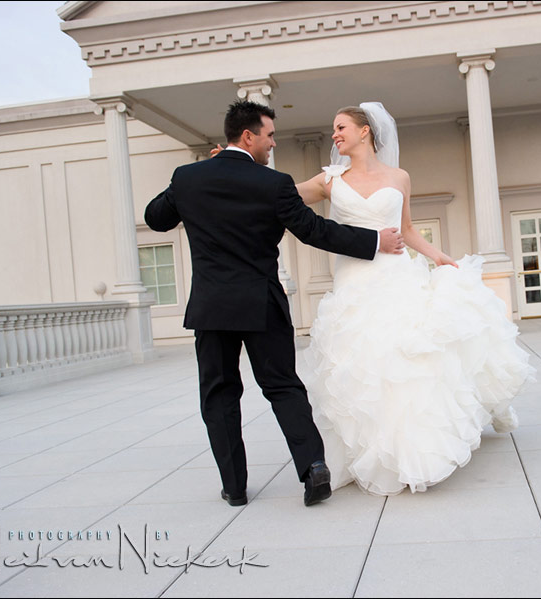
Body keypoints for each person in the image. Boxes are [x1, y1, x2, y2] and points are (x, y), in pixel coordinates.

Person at [144, 100, 406, 507]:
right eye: (268, 136)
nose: (272, 143)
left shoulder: (188, 178)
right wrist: (374, 241)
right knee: (283, 387)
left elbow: (156, 218)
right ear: (247, 136)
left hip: (211, 307)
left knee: (219, 395)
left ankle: (234, 487)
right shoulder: (272, 182)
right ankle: (313, 467)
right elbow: (314, 230)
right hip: (261, 303)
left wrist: (187, 181)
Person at [297, 103, 533, 495]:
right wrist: (240, 175)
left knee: (403, 358)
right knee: (362, 360)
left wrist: (437, 256)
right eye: (334, 129)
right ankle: (367, 449)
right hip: (354, 280)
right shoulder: (329, 180)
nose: (334, 135)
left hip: (396, 275)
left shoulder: (399, 177)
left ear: (364, 132)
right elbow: (282, 198)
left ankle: (409, 450)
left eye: (341, 127)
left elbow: (405, 228)